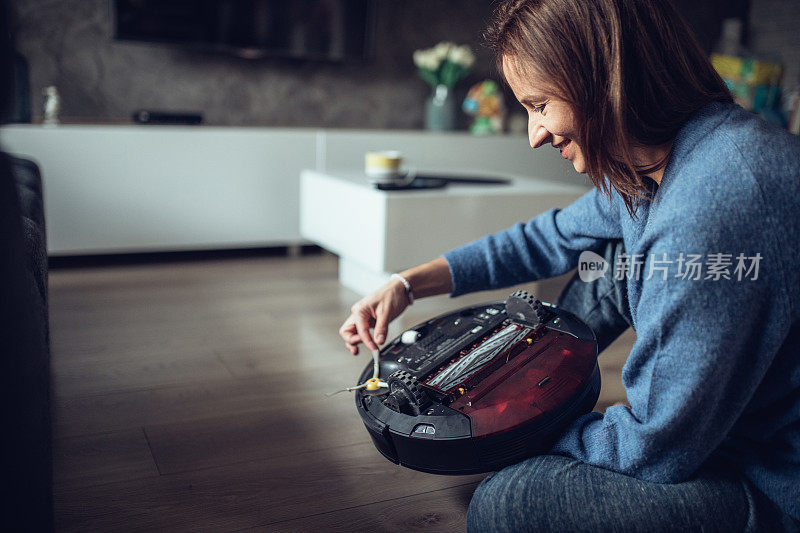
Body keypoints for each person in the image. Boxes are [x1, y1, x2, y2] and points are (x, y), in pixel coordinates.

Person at [340, 0, 800, 531]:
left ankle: (549, 411)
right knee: (606, 260)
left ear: (604, 78)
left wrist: (528, 433)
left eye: (539, 104)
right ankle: (546, 387)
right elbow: (546, 237)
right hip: (718, 423)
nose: (535, 133)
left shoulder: (710, 210)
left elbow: (656, 448)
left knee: (504, 507)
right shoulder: (660, 160)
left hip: (768, 480)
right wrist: (407, 283)